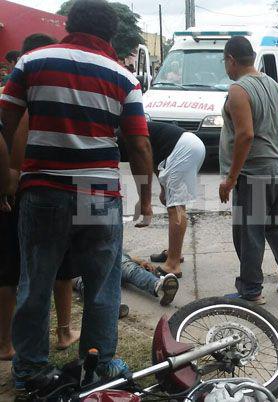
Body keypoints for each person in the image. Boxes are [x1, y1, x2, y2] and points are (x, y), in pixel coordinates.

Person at [0, 0, 153, 389]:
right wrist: (146, 198)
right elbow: (139, 145)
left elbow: (5, 122)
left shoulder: (32, 62)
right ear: (110, 35)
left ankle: (30, 372)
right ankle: (100, 364)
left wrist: (8, 176)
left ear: (69, 24)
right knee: (102, 282)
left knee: (35, 282)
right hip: (98, 193)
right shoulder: (122, 76)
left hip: (44, 190)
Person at [0, 33, 86, 363]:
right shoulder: (50, 89)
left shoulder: (16, 89)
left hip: (20, 189)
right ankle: (63, 331)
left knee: (11, 268)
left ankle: (7, 342)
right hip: (43, 188)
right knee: (58, 266)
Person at [218, 36, 278, 305]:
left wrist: (230, 178)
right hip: (277, 167)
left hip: (253, 171)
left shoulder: (238, 90)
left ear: (231, 60)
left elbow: (245, 134)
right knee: (274, 222)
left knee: (249, 230)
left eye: (225, 61)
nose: (226, 66)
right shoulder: (272, 85)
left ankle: (251, 290)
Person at [142, 121, 205, 277]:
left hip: (182, 149)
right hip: (187, 145)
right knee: (174, 204)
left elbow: (143, 162)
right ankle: (173, 253)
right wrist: (163, 189)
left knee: (176, 207)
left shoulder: (121, 135)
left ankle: (173, 265)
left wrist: (145, 200)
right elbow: (153, 158)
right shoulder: (127, 128)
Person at [74, 253, 179, 306]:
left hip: (110, 259)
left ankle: (160, 286)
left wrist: (139, 261)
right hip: (84, 268)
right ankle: (109, 307)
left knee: (131, 268)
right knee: (86, 282)